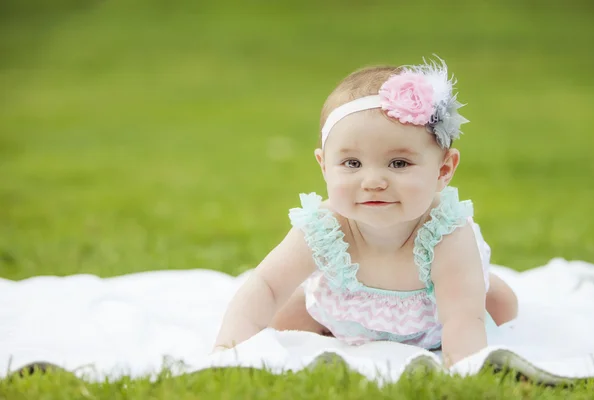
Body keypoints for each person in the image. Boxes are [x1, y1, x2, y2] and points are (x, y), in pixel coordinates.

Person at [212, 57, 518, 366]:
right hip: (340, 318)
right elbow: (265, 284)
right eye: (352, 164)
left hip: (434, 321)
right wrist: (227, 351)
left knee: (502, 309)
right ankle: (324, 319)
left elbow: (461, 319)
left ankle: (481, 279)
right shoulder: (324, 228)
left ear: (443, 169)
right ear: (324, 166)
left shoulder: (446, 234)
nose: (373, 182)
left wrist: (463, 369)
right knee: (283, 317)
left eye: (399, 163)